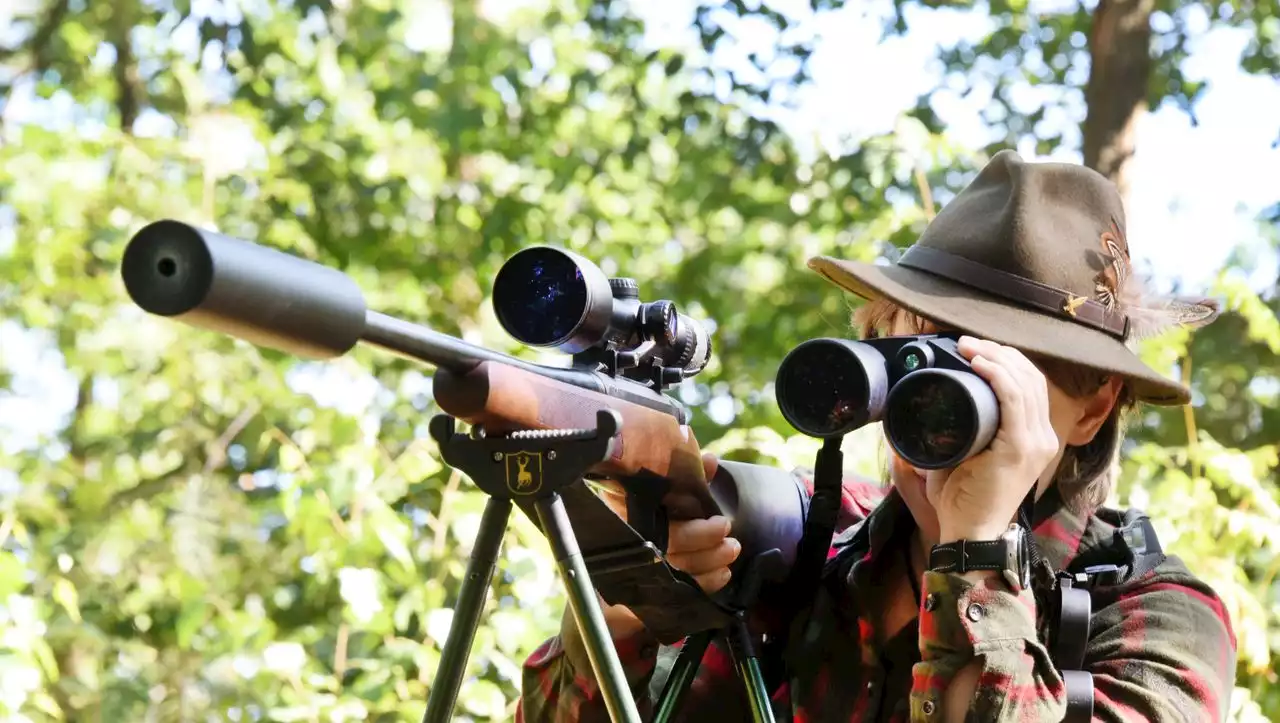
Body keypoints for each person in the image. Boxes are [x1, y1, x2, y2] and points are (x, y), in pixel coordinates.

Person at [516, 151, 1237, 722]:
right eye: (917, 347)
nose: (937, 396)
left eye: (991, 359)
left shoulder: (1162, 622)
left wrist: (976, 550)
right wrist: (622, 612)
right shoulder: (804, 559)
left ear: (1093, 403)